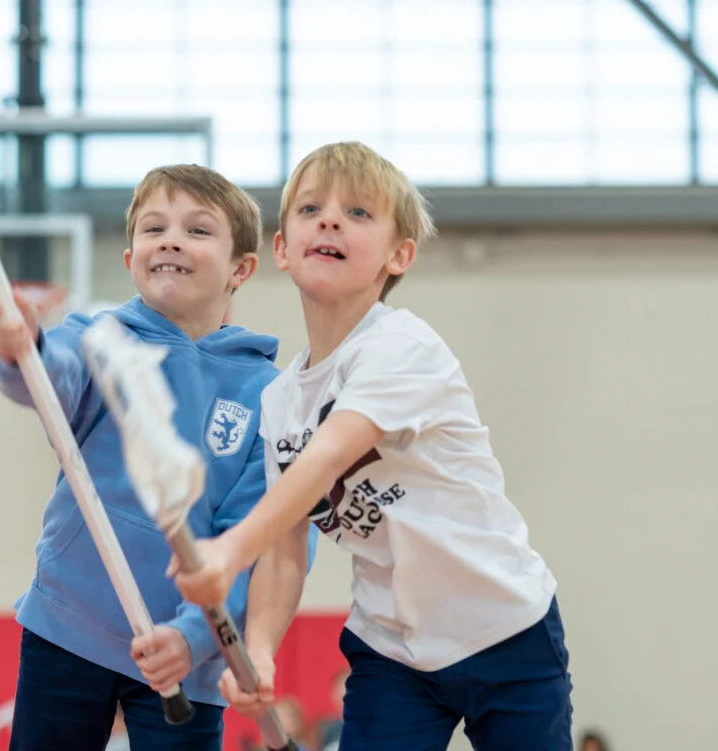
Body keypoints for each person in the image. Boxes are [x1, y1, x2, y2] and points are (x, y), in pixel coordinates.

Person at [173, 142, 573, 750]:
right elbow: (284, 553)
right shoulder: (280, 402)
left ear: (398, 255)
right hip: (392, 651)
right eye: (310, 209)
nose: (330, 219)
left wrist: (226, 551)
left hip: (504, 631)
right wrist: (257, 652)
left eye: (358, 213)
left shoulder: (403, 348)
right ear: (281, 248)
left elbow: (330, 455)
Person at [0, 163, 279, 751]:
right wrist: (25, 350)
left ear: (241, 268)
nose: (170, 239)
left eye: (197, 230)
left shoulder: (268, 394)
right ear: (130, 259)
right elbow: (50, 377)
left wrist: (195, 638)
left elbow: (252, 543)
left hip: (185, 656)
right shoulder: (100, 337)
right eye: (153, 228)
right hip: (68, 625)